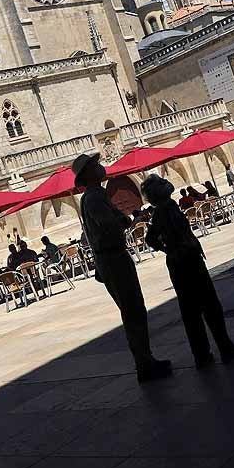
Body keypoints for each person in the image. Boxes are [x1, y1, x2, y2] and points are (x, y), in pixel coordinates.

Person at [73, 152, 171, 383]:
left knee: (134, 308)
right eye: (96, 165)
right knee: (133, 309)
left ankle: (146, 360)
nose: (101, 166)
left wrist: (121, 220)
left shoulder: (97, 195)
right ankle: (145, 365)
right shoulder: (95, 197)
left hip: (113, 257)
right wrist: (122, 220)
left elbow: (118, 221)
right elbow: (112, 225)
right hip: (112, 258)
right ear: (89, 173)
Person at [141, 174, 234, 367]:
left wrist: (168, 249)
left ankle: (203, 354)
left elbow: (151, 239)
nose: (166, 184)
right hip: (187, 260)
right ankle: (223, 348)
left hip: (179, 260)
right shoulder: (167, 208)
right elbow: (152, 239)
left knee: (191, 310)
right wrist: (171, 248)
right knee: (209, 304)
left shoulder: (163, 209)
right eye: (161, 183)